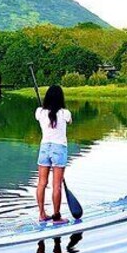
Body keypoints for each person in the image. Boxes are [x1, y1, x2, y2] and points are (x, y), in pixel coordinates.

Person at [35, 84, 71, 224]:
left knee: (41, 183)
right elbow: (70, 121)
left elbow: (41, 115)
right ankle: (56, 217)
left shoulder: (40, 112)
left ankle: (42, 214)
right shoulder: (65, 113)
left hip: (44, 148)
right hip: (59, 149)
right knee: (57, 185)